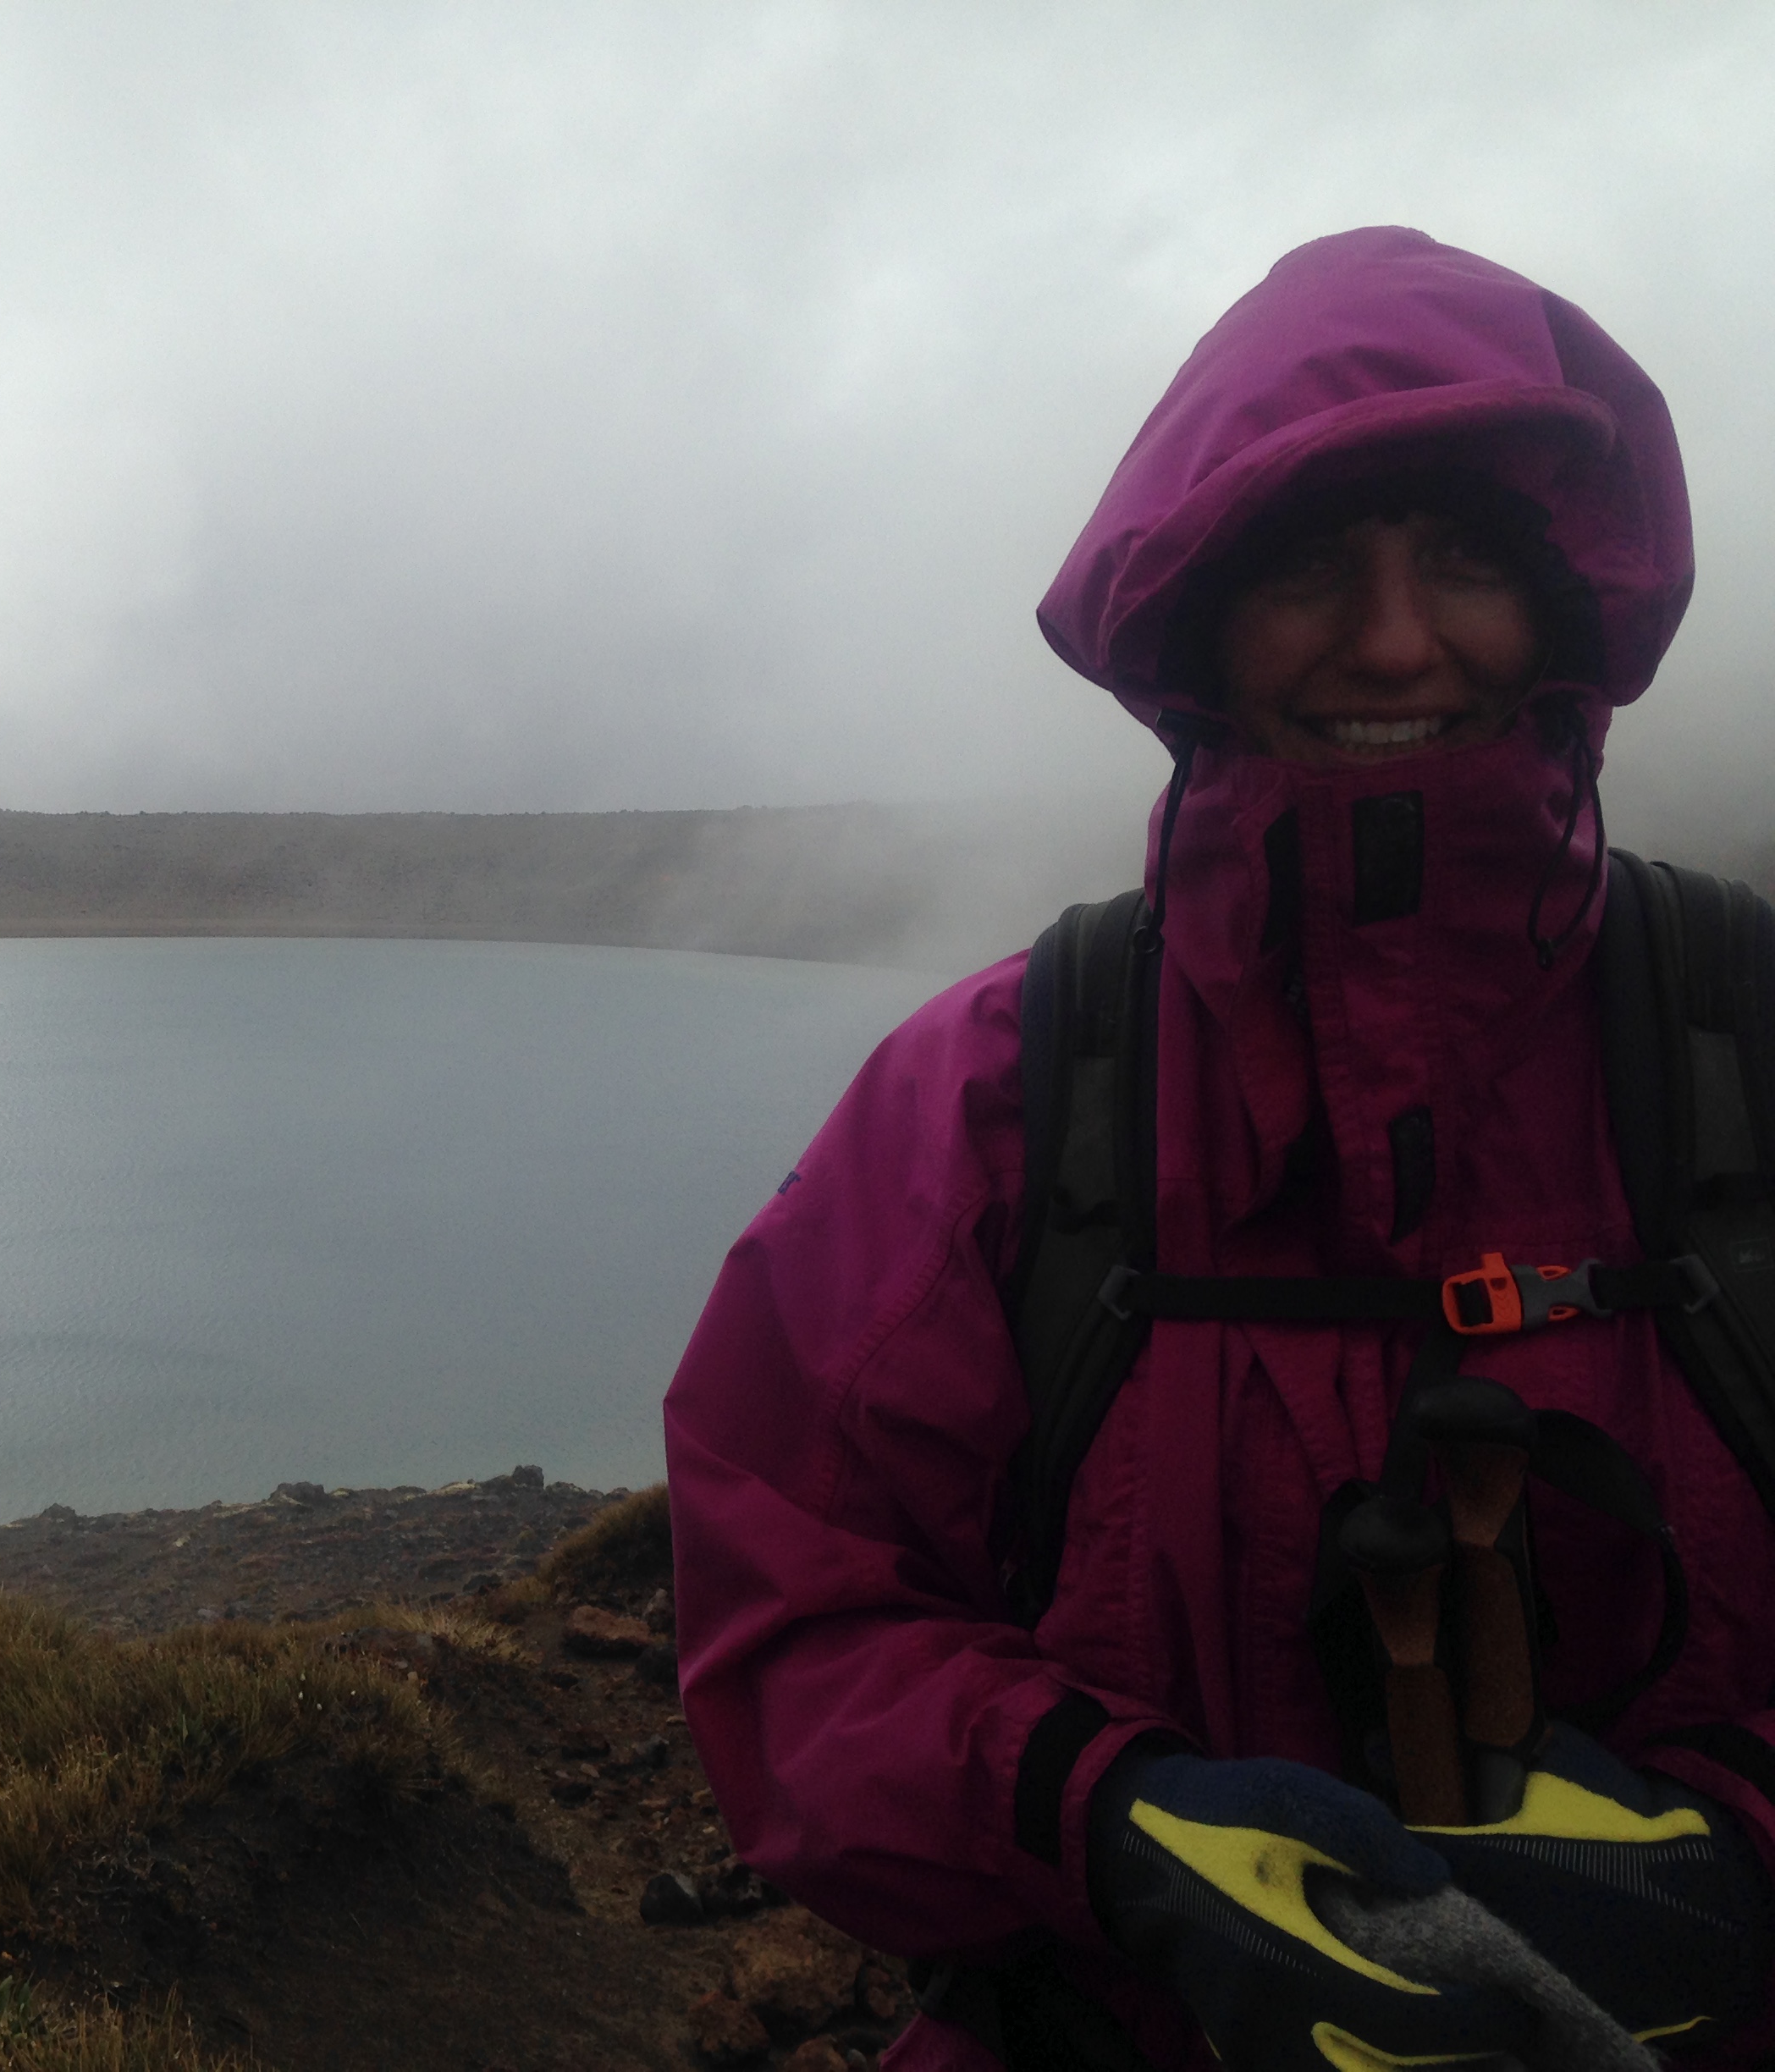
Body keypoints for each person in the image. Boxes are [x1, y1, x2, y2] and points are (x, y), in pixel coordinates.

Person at [663, 226, 1775, 2072]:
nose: (1396, 639)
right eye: (1310, 566)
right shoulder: (1000, 1098)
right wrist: (1104, 1825)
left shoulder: (1748, 1050)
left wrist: (1739, 1854)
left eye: (1466, 560)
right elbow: (791, 1608)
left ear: (1565, 612)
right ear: (1197, 628)